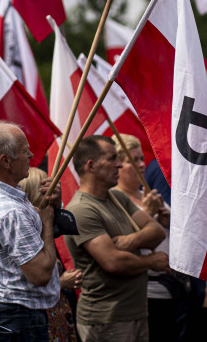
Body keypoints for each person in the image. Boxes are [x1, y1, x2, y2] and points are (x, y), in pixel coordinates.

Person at [64, 135, 168, 342]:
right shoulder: (81, 209)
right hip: (107, 319)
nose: (119, 164)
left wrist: (131, 241)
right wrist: (151, 262)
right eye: (112, 158)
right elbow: (113, 262)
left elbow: (156, 231)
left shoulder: (117, 197)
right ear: (91, 166)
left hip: (136, 312)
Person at [0, 122, 62, 342]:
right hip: (18, 316)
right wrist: (47, 221)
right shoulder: (9, 211)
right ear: (5, 161)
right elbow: (40, 275)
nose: (30, 154)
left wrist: (54, 207)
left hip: (6, 310)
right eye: (24, 150)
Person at [111, 134, 185, 342]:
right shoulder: (113, 200)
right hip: (144, 292)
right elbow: (120, 243)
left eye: (141, 158)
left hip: (172, 288)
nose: (141, 165)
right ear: (116, 165)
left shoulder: (148, 194)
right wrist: (149, 213)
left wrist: (172, 222)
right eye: (131, 161)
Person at [20, 168, 83, 342]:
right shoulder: (22, 231)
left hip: (58, 316)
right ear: (33, 194)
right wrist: (61, 283)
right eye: (46, 190)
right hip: (38, 320)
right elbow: (25, 282)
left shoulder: (44, 226)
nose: (52, 191)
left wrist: (56, 205)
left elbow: (57, 229)